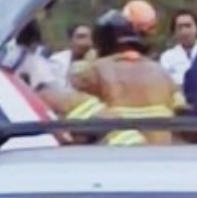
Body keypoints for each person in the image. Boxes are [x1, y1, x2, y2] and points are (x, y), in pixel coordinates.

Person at [70, 9, 184, 145]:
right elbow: (181, 111)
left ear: (100, 44)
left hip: (119, 158)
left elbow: (74, 112)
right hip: (162, 156)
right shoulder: (162, 72)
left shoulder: (94, 71)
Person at [159, 9, 197, 87]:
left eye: (188, 26)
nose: (184, 31)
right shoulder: (167, 57)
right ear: (174, 32)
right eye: (180, 27)